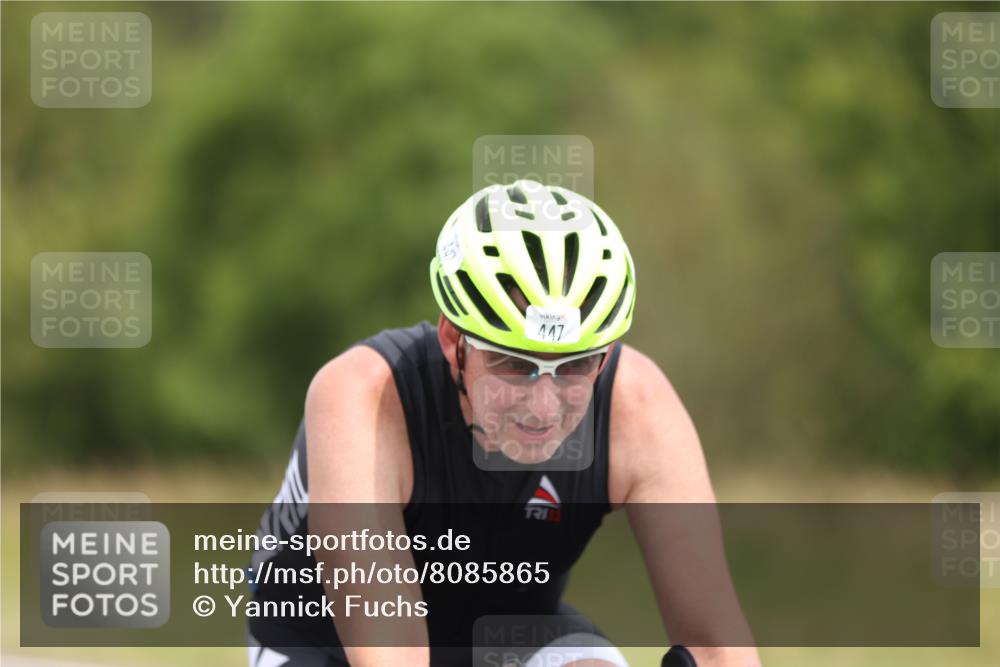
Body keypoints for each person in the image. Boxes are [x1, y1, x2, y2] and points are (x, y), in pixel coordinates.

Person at [247, 180, 760, 667]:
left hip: (516, 630)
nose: (542, 406)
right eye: (515, 365)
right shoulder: (363, 396)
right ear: (454, 340)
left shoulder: (638, 404)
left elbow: (716, 646)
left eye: (576, 366)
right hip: (327, 643)